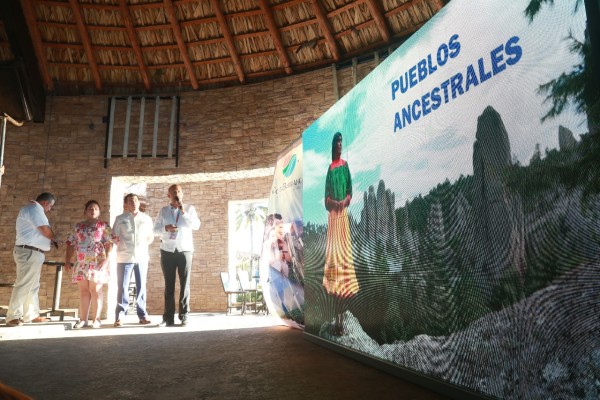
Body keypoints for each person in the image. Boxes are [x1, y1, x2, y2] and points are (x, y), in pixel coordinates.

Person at [323, 132, 359, 336]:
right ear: (332, 146)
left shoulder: (345, 166)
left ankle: (342, 320)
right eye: (336, 142)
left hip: (342, 217)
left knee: (344, 262)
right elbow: (326, 197)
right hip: (333, 219)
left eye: (341, 142)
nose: (339, 145)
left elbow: (350, 191)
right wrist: (333, 203)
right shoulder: (330, 168)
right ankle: (336, 320)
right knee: (334, 263)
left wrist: (344, 201)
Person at [5, 193, 58, 327]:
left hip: (33, 252)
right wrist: (54, 238)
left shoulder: (33, 209)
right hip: (29, 251)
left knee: (32, 285)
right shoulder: (34, 209)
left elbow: (36, 232)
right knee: (24, 284)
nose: (50, 209)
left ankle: (31, 314)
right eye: (50, 206)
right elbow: (45, 230)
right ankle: (12, 316)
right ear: (45, 203)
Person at [153, 184, 200, 327]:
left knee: (185, 284)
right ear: (169, 195)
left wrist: (183, 211)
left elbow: (196, 226)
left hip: (185, 250)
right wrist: (165, 228)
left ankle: (184, 315)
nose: (176, 193)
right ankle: (168, 318)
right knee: (169, 285)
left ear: (182, 194)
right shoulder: (163, 211)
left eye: (178, 191)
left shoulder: (190, 209)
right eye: (173, 192)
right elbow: (155, 230)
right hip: (167, 250)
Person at [64, 200, 113, 329]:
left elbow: (109, 243)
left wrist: (107, 259)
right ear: (85, 211)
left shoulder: (103, 225)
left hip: (97, 262)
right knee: (84, 291)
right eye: (90, 208)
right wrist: (67, 260)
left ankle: (96, 319)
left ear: (99, 212)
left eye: (96, 209)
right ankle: (83, 319)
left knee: (96, 290)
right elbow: (70, 243)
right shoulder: (78, 226)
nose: (93, 211)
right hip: (82, 263)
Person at [112, 193, 155, 327]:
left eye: (135, 200)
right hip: (124, 257)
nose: (134, 203)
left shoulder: (146, 219)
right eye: (130, 201)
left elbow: (150, 237)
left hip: (141, 257)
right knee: (123, 287)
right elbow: (115, 236)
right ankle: (120, 316)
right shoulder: (120, 218)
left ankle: (142, 315)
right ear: (126, 204)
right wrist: (117, 241)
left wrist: (141, 246)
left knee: (141, 287)